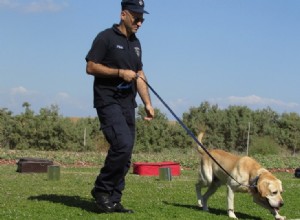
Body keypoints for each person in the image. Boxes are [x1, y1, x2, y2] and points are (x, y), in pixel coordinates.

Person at [85, 0, 154, 214]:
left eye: (142, 18)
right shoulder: (105, 37)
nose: (140, 22)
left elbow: (140, 75)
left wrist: (148, 103)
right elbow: (90, 66)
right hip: (107, 100)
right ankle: (102, 190)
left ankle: (114, 199)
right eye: (136, 17)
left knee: (126, 152)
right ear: (124, 14)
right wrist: (118, 73)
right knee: (122, 144)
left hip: (127, 103)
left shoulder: (136, 44)